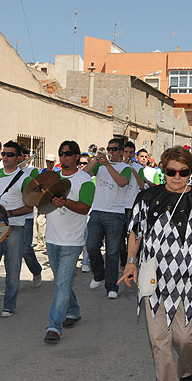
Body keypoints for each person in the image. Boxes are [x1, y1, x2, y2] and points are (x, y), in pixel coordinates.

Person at [118, 146, 192, 381]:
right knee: (158, 340)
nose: (177, 177)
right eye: (171, 171)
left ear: (191, 172)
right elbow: (135, 232)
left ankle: (185, 370)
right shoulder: (147, 197)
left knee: (184, 338)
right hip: (154, 279)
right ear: (163, 171)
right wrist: (131, 262)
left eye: (183, 172)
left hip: (190, 280)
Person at [43, 141, 95, 344]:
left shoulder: (85, 181)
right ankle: (73, 310)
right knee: (61, 282)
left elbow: (85, 208)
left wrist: (65, 202)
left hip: (72, 241)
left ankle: (54, 326)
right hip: (51, 238)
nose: (63, 157)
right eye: (61, 153)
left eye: (68, 153)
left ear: (76, 156)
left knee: (62, 283)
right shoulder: (53, 178)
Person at [0, 141, 35, 319]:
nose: (5, 157)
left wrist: (9, 213)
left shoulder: (25, 178)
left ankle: (9, 306)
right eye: (4, 154)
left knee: (13, 268)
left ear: (18, 158)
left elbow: (29, 207)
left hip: (15, 227)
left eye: (10, 154)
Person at [83, 138, 132, 299]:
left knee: (112, 252)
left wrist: (107, 164)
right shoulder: (100, 165)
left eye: (114, 149)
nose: (110, 152)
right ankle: (99, 274)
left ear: (120, 151)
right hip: (97, 211)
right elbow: (83, 174)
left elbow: (122, 182)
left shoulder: (126, 168)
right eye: (109, 149)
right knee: (91, 246)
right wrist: (96, 159)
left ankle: (111, 287)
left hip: (115, 214)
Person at [18, 146, 42, 287]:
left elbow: (33, 190)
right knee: (12, 252)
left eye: (20, 155)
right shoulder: (7, 169)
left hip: (25, 214)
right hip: (9, 215)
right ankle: (12, 283)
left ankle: (36, 270)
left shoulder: (32, 171)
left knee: (26, 249)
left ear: (26, 157)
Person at [120, 141, 145, 268]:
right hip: (119, 205)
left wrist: (133, 170)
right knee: (119, 237)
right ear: (122, 152)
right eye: (126, 152)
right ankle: (123, 260)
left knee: (131, 235)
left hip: (131, 206)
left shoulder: (139, 168)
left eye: (131, 152)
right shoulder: (118, 166)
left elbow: (142, 185)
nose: (128, 155)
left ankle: (131, 260)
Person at [78, 153, 93, 273]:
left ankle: (85, 261)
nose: (82, 165)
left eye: (85, 163)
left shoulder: (95, 178)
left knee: (86, 239)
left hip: (90, 213)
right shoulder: (76, 178)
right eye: (80, 163)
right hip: (76, 213)